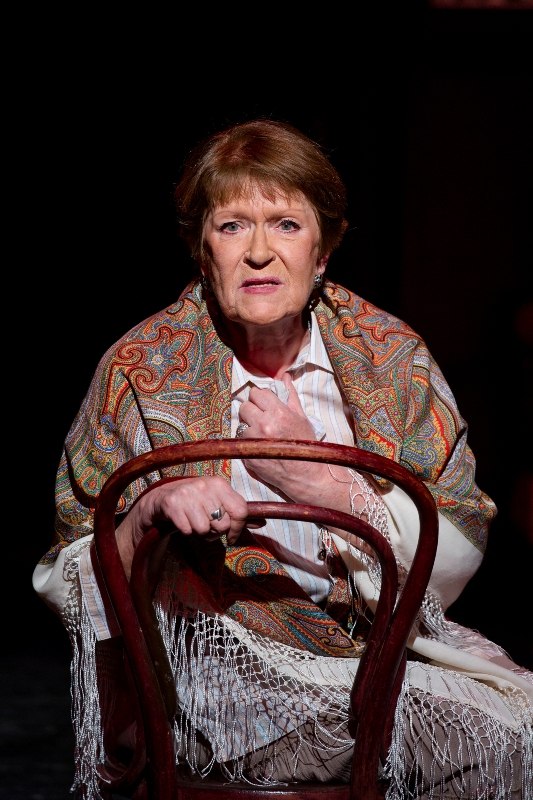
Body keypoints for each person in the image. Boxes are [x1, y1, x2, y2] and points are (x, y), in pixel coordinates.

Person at [33, 120, 532, 800]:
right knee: (492, 744)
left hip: (377, 654)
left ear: (322, 251)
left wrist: (322, 481)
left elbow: (459, 539)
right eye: (233, 226)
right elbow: (67, 575)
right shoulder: (140, 372)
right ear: (201, 249)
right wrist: (148, 511)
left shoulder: (392, 359)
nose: (260, 253)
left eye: (287, 226)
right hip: (209, 681)